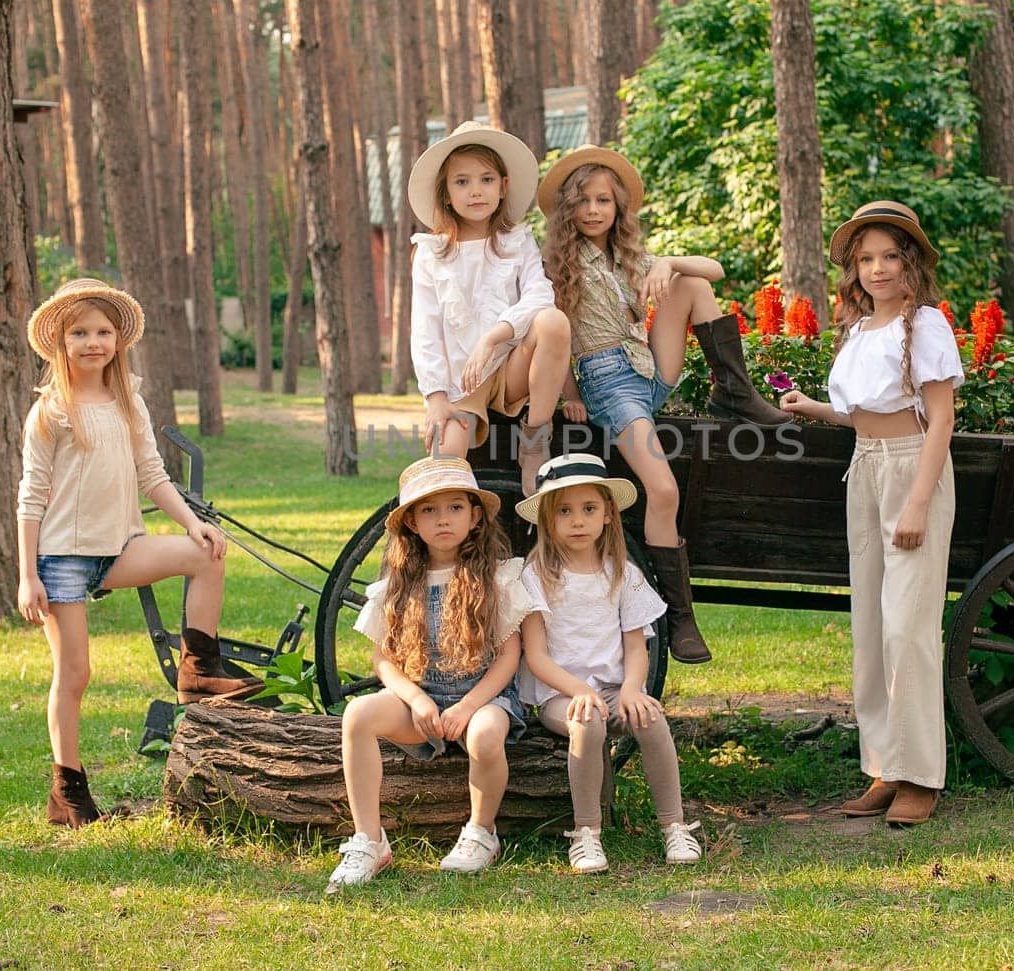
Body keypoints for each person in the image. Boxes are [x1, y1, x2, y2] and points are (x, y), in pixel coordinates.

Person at [17, 278, 261, 829]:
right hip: (61, 560)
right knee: (75, 673)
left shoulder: (128, 401)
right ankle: (67, 789)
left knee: (206, 556)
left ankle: (198, 666)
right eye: (79, 332)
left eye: (103, 331)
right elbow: (30, 496)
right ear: (61, 341)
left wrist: (194, 524)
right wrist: (26, 574)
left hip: (119, 548)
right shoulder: (51, 412)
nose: (93, 342)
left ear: (118, 340)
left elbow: (154, 475)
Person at [537, 146, 791, 664]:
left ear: (617, 207)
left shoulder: (627, 255)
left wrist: (669, 263)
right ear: (568, 209)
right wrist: (570, 394)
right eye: (583, 201)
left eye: (603, 200)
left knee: (692, 282)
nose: (593, 210)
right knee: (662, 488)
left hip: (648, 369)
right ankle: (680, 619)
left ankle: (734, 392)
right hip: (610, 382)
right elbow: (555, 333)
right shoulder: (558, 264)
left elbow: (713, 270)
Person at [778, 201, 963, 827]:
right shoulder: (857, 332)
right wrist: (813, 407)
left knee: (908, 629)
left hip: (914, 469)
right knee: (872, 631)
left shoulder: (927, 325)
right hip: (866, 467)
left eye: (889, 256)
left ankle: (920, 777)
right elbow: (863, 412)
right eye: (866, 259)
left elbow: (940, 419)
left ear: (910, 263)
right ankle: (886, 765)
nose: (877, 269)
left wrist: (916, 501)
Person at [327, 457, 543, 894]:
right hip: (421, 701)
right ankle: (369, 839)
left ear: (475, 515)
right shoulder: (399, 583)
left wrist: (468, 705)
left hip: (483, 699)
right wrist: (417, 700)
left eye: (455, 508)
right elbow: (384, 660)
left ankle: (482, 832)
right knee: (358, 716)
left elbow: (508, 656)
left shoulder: (496, 577)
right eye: (428, 510)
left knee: (484, 736)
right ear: (410, 522)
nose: (443, 519)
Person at [515, 454, 703, 873]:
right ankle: (586, 832)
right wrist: (580, 692)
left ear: (607, 515)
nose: (577, 521)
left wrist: (634, 690)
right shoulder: (537, 576)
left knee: (651, 718)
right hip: (561, 695)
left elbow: (637, 648)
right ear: (547, 520)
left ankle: (673, 825)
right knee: (587, 722)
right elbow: (537, 656)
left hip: (616, 691)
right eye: (564, 511)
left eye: (588, 509)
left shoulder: (622, 574)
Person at [407, 121, 571, 493]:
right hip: (459, 383)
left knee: (553, 322)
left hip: (511, 365)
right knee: (444, 468)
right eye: (461, 182)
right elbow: (425, 331)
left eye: (485, 179)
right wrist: (434, 398)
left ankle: (534, 437)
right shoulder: (431, 254)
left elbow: (539, 294)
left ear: (503, 186)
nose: (475, 191)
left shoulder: (516, 241)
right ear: (446, 193)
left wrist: (494, 337)